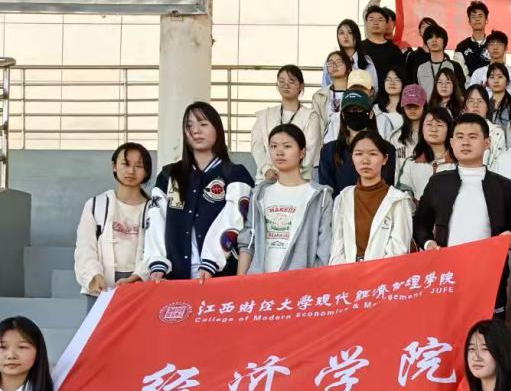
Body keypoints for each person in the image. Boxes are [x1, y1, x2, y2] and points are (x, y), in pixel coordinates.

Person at [414, 114, 511, 318]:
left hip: (490, 279)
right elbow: (420, 223)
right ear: (452, 142)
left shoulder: (504, 186)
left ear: (487, 143)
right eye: (460, 137)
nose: (465, 142)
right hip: (447, 277)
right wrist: (428, 243)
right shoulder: (438, 183)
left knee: (488, 332)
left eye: (473, 136)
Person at [146, 102, 254, 281]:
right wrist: (157, 262)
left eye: (203, 124)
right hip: (174, 277)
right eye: (189, 126)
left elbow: (233, 218)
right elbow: (156, 219)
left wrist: (211, 261)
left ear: (217, 129)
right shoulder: (170, 175)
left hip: (219, 276)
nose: (196, 131)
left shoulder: (235, 174)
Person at [237, 124, 332, 275]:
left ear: (302, 152)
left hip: (300, 282)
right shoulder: (259, 194)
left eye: (287, 146)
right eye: (273, 146)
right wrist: (240, 282)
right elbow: (248, 241)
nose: (279, 152)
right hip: (260, 281)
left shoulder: (320, 196)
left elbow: (324, 249)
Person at [74, 142, 152, 308]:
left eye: (139, 166)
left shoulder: (154, 209)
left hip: (141, 286)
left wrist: (137, 277)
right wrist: (94, 275)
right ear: (114, 166)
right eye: (125, 164)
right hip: (102, 287)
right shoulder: (96, 204)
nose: (131, 171)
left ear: (146, 172)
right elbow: (85, 248)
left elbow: (157, 250)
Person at [331, 131, 414, 263]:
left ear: (385, 159)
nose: (365, 161)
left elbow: (399, 250)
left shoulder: (398, 200)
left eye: (373, 154)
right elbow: (337, 247)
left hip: (385, 273)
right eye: (359, 154)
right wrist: (346, 272)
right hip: (347, 273)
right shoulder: (343, 198)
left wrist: (372, 273)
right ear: (352, 158)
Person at [251, 65, 322, 181]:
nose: (286, 85)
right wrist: (266, 169)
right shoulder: (265, 115)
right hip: (267, 178)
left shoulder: (310, 116)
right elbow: (257, 147)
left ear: (301, 86)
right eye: (282, 81)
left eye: (291, 81)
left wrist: (286, 174)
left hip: (299, 179)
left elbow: (309, 152)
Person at [319, 90, 394, 193]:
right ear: (343, 115)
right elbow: (326, 190)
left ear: (370, 114)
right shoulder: (329, 151)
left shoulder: (387, 149)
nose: (354, 113)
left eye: (359, 109)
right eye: (350, 110)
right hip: (340, 202)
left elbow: (388, 185)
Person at [397, 107, 456, 201]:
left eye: (439, 125)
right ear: (422, 128)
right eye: (429, 124)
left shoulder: (458, 163)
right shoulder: (411, 163)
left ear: (449, 129)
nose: (433, 129)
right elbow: (402, 196)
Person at [320, 19, 377, 91]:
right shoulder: (332, 59)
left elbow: (374, 88)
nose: (345, 36)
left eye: (350, 32)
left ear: (357, 35)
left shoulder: (366, 60)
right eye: (341, 33)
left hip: (360, 97)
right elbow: (325, 86)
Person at [360, 5, 404, 89]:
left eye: (380, 20)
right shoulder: (359, 48)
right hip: (363, 94)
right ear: (366, 23)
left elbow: (401, 77)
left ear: (386, 24)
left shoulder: (394, 50)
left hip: (388, 95)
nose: (375, 23)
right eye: (371, 19)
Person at [313, 51, 352, 144]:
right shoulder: (319, 96)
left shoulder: (355, 94)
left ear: (349, 68)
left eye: (339, 62)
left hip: (350, 143)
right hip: (327, 144)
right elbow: (316, 127)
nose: (334, 65)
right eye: (330, 63)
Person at [469, 31, 511, 98]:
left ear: (506, 48)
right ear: (487, 48)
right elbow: (472, 96)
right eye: (491, 44)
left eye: (499, 44)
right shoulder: (478, 73)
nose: (495, 48)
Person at [463, 85, 507, 167]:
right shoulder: (458, 131)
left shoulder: (497, 133)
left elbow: (499, 164)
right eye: (471, 101)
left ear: (487, 107)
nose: (475, 105)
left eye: (480, 101)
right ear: (465, 107)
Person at [415, 24, 466, 94]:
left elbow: (461, 92)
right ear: (426, 42)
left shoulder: (455, 66)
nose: (434, 40)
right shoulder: (421, 68)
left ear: (444, 41)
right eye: (430, 37)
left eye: (438, 37)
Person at [387, 84, 427, 166]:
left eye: (416, 105)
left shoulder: (432, 134)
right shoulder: (393, 136)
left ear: (424, 106)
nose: (412, 109)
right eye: (408, 106)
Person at [454, 0, 492, 77]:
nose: (477, 19)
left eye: (480, 16)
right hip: (468, 84)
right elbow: (459, 72)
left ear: (486, 20)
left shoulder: (493, 44)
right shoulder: (461, 47)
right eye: (473, 17)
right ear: (469, 21)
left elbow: (499, 67)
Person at [403, 16, 439, 85]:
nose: (427, 29)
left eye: (430, 27)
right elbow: (408, 81)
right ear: (419, 32)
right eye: (424, 27)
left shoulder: (442, 56)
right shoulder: (412, 56)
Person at [373, 67, 406, 139]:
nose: (392, 83)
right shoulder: (376, 109)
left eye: (397, 80)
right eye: (388, 79)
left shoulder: (407, 109)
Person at [485, 64, 511, 133]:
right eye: (492, 77)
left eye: (500, 77)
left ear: (507, 81)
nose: (496, 81)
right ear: (487, 83)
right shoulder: (485, 104)